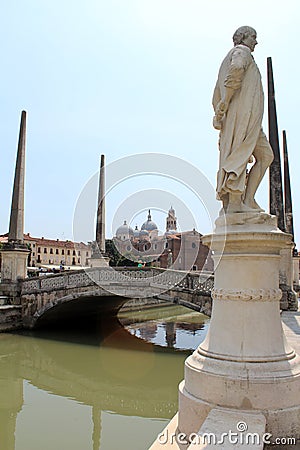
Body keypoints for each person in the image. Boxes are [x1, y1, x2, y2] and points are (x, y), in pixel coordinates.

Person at [212, 26, 274, 213]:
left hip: (250, 121)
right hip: (242, 119)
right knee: (241, 154)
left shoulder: (230, 57)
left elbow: (215, 92)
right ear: (243, 38)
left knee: (265, 156)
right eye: (253, 37)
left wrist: (220, 108)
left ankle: (248, 200)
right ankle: (236, 204)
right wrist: (226, 100)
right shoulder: (242, 52)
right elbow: (236, 70)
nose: (256, 41)